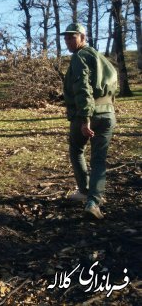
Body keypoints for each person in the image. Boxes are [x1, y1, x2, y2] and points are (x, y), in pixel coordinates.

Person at [62, 23, 118, 219]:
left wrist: (85, 119)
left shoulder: (79, 57)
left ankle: (86, 192)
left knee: (76, 150)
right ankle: (95, 200)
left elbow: (82, 89)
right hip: (108, 113)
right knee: (99, 158)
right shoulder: (101, 58)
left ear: (83, 37)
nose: (68, 41)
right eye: (66, 38)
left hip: (88, 114)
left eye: (72, 37)